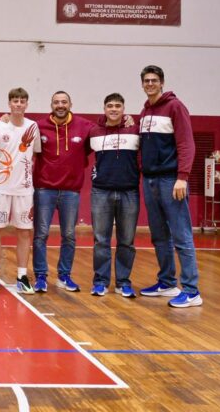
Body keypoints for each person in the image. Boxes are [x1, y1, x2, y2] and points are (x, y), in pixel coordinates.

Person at [138, 65, 201, 307]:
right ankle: (166, 283)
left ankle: (192, 291)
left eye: (154, 80)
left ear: (162, 82)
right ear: (142, 84)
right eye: (146, 81)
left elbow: (186, 144)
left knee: (181, 236)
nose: (150, 84)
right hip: (150, 180)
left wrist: (182, 177)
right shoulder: (145, 111)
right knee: (159, 236)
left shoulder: (175, 107)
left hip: (171, 180)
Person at [31, 91, 95, 293]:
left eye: (64, 102)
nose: (60, 105)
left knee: (69, 235)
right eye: (56, 102)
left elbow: (105, 129)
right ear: (51, 105)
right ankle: (40, 276)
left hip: (71, 191)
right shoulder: (38, 126)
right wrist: (7, 118)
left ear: (70, 104)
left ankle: (64, 276)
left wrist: (127, 120)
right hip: (44, 190)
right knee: (41, 234)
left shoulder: (85, 126)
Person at [0, 87, 41, 294]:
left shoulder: (33, 126)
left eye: (22, 101)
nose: (18, 104)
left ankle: (22, 276)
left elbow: (37, 153)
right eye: (15, 101)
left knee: (24, 231)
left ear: (27, 104)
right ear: (9, 103)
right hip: (0, 187)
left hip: (24, 188)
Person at [89, 93, 140, 297]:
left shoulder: (135, 130)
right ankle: (100, 282)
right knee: (101, 240)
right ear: (104, 109)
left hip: (129, 191)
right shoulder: (94, 131)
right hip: (101, 191)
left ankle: (123, 282)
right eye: (110, 106)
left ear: (123, 109)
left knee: (126, 241)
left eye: (118, 106)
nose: (113, 109)